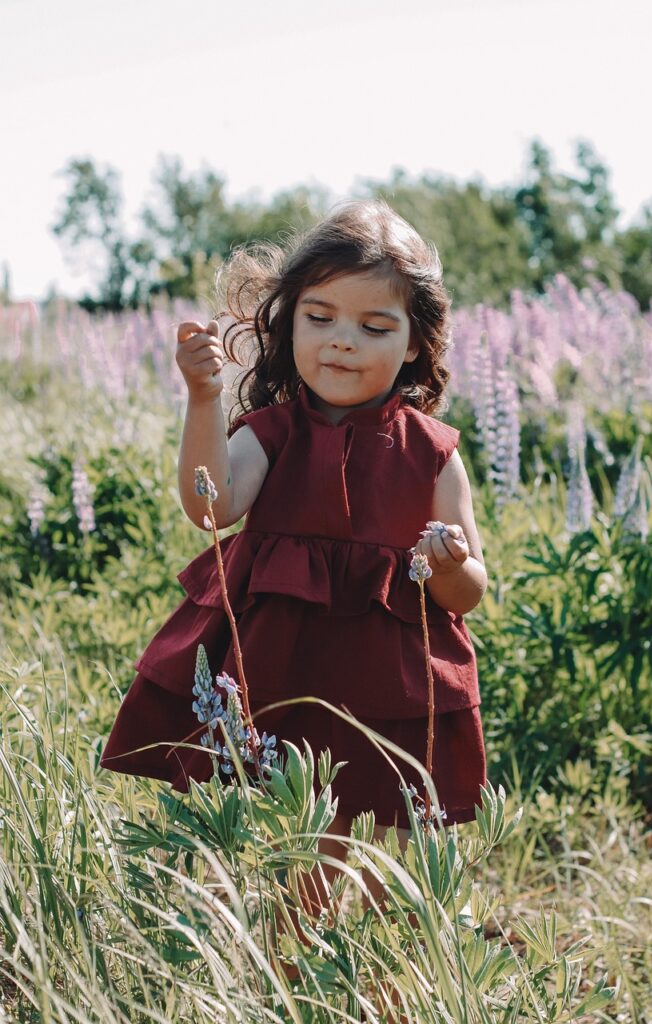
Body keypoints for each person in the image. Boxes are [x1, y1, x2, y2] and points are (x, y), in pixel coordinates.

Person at [100, 199, 488, 905]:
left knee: (386, 850)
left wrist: (451, 562)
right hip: (283, 674)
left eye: (374, 326)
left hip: (386, 688)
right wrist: (202, 399)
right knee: (303, 847)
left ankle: (382, 982)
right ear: (288, 324)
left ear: (412, 344)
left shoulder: (433, 454)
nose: (342, 340)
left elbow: (468, 596)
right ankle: (287, 970)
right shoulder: (272, 433)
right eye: (320, 317)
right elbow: (210, 505)